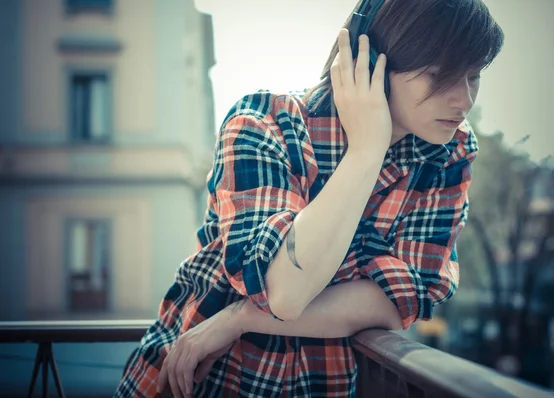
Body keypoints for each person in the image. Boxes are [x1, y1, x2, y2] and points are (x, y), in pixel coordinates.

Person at [115, 0, 504, 396]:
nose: (464, 100)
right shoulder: (263, 123)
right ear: (369, 66)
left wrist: (241, 317)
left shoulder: (449, 152)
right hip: (201, 380)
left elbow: (401, 301)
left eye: (473, 76)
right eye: (439, 76)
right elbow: (284, 291)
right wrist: (365, 152)